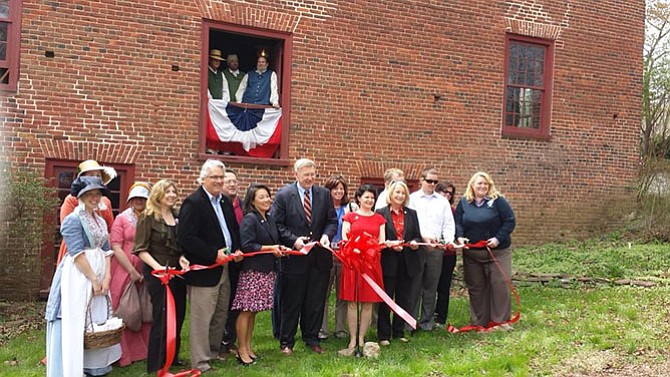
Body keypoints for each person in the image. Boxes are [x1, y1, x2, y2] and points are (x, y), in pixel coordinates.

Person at [45, 176, 121, 377]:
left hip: (98, 271)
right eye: (89, 194)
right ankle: (70, 369)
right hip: (78, 275)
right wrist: (93, 279)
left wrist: (106, 278)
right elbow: (77, 253)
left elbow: (106, 251)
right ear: (80, 196)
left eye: (97, 194)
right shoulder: (73, 219)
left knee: (95, 318)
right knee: (77, 316)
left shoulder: (100, 220)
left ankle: (93, 366)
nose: (94, 198)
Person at [178, 159, 242, 373]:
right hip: (204, 271)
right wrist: (211, 254)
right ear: (203, 178)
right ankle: (200, 363)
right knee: (201, 318)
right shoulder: (193, 202)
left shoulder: (224, 201)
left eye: (221, 177)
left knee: (220, 315)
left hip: (226, 267)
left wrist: (238, 249)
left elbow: (233, 230)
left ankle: (213, 353)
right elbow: (186, 238)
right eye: (214, 177)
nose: (218, 181)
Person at [272, 158, 338, 355]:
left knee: (315, 302)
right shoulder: (284, 195)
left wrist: (327, 236)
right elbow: (277, 224)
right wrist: (294, 241)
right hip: (295, 260)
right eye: (306, 174)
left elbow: (331, 220)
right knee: (292, 302)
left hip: (319, 259)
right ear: (296, 175)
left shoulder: (324, 194)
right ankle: (287, 341)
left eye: (312, 174)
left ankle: (312, 338)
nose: (310, 178)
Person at [133, 179, 190, 373]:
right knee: (163, 316)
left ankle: (172, 357)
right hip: (158, 273)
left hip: (177, 274)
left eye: (174, 191)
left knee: (179, 314)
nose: (172, 195)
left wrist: (182, 258)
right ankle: (157, 363)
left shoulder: (177, 216)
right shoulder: (148, 217)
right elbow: (140, 249)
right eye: (168, 192)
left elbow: (179, 246)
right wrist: (159, 268)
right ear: (158, 194)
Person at [232, 184, 287, 365]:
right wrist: (270, 248)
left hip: (266, 270)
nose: (266, 200)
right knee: (246, 310)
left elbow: (273, 242)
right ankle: (241, 350)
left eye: (267, 196)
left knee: (254, 311)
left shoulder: (269, 219)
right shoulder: (250, 219)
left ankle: (248, 347)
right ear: (252, 200)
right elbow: (247, 245)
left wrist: (278, 249)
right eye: (261, 197)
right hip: (252, 271)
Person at [455, 172, 516, 329]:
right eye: (479, 184)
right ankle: (479, 322)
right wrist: (460, 237)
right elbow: (458, 223)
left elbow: (509, 221)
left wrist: (497, 238)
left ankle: (500, 322)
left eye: (485, 184)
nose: (482, 186)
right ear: (472, 186)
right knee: (476, 287)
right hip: (473, 254)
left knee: (499, 285)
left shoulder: (498, 201)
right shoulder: (464, 202)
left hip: (497, 252)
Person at [337, 184, 386, 357]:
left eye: (372, 197)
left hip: (371, 265)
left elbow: (381, 241)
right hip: (353, 263)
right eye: (366, 197)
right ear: (359, 198)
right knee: (352, 302)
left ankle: (362, 338)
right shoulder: (349, 217)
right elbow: (345, 238)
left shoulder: (379, 219)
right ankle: (352, 338)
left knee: (368, 302)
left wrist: (369, 250)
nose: (369, 200)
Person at [109, 181, 151, 367]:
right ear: (130, 200)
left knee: (145, 309)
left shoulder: (151, 217)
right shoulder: (122, 219)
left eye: (142, 198)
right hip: (124, 269)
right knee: (124, 309)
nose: (139, 201)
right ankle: (124, 353)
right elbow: (116, 246)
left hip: (147, 268)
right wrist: (132, 271)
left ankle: (145, 350)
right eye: (135, 198)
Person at [408, 168, 455, 331]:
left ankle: (426, 322)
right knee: (414, 286)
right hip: (417, 247)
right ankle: (410, 322)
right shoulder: (412, 199)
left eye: (435, 182)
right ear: (421, 180)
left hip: (436, 249)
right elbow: (411, 223)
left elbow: (448, 224)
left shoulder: (442, 202)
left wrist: (447, 240)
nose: (432, 184)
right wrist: (423, 237)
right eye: (429, 181)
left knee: (431, 286)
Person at [376, 180, 421, 345]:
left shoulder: (412, 213)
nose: (400, 196)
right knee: (386, 299)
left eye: (403, 193)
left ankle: (398, 331)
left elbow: (417, 235)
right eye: (397, 193)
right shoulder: (381, 213)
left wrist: (416, 242)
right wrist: (389, 244)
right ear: (391, 194)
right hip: (388, 261)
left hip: (407, 261)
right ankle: (383, 335)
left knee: (403, 298)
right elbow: (377, 238)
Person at [320, 175, 358, 340]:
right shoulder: (322, 207)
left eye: (341, 188)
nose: (339, 191)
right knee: (324, 293)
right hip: (327, 254)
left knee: (343, 293)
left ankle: (340, 328)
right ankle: (322, 329)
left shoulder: (351, 207)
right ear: (329, 190)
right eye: (335, 188)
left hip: (344, 255)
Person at [56, 159, 116, 265]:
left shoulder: (105, 202)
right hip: (76, 249)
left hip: (99, 252)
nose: (95, 178)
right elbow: (68, 228)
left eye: (98, 175)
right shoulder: (72, 199)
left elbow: (110, 228)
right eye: (91, 175)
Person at [220, 169, 244, 358]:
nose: (232, 184)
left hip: (240, 260)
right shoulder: (219, 205)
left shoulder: (243, 206)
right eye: (228, 181)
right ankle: (218, 342)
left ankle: (229, 341)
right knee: (221, 304)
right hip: (219, 260)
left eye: (234, 181)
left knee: (235, 303)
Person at [434, 180, 457, 328]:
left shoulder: (453, 211)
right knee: (429, 286)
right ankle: (427, 315)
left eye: (450, 193)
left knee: (444, 287)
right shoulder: (432, 208)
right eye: (444, 192)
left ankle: (440, 318)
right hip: (432, 252)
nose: (447, 195)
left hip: (448, 254)